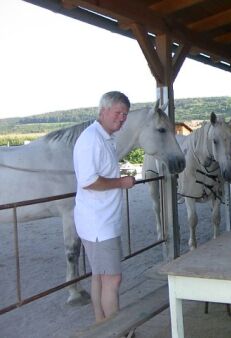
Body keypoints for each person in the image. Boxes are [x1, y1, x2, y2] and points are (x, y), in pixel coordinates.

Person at [73, 91, 135, 323]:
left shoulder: (103, 137)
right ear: (103, 111)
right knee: (113, 279)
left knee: (100, 276)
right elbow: (88, 181)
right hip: (99, 223)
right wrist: (122, 182)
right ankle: (116, 330)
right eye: (118, 113)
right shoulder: (92, 140)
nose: (121, 118)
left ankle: (101, 324)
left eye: (125, 115)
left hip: (99, 221)